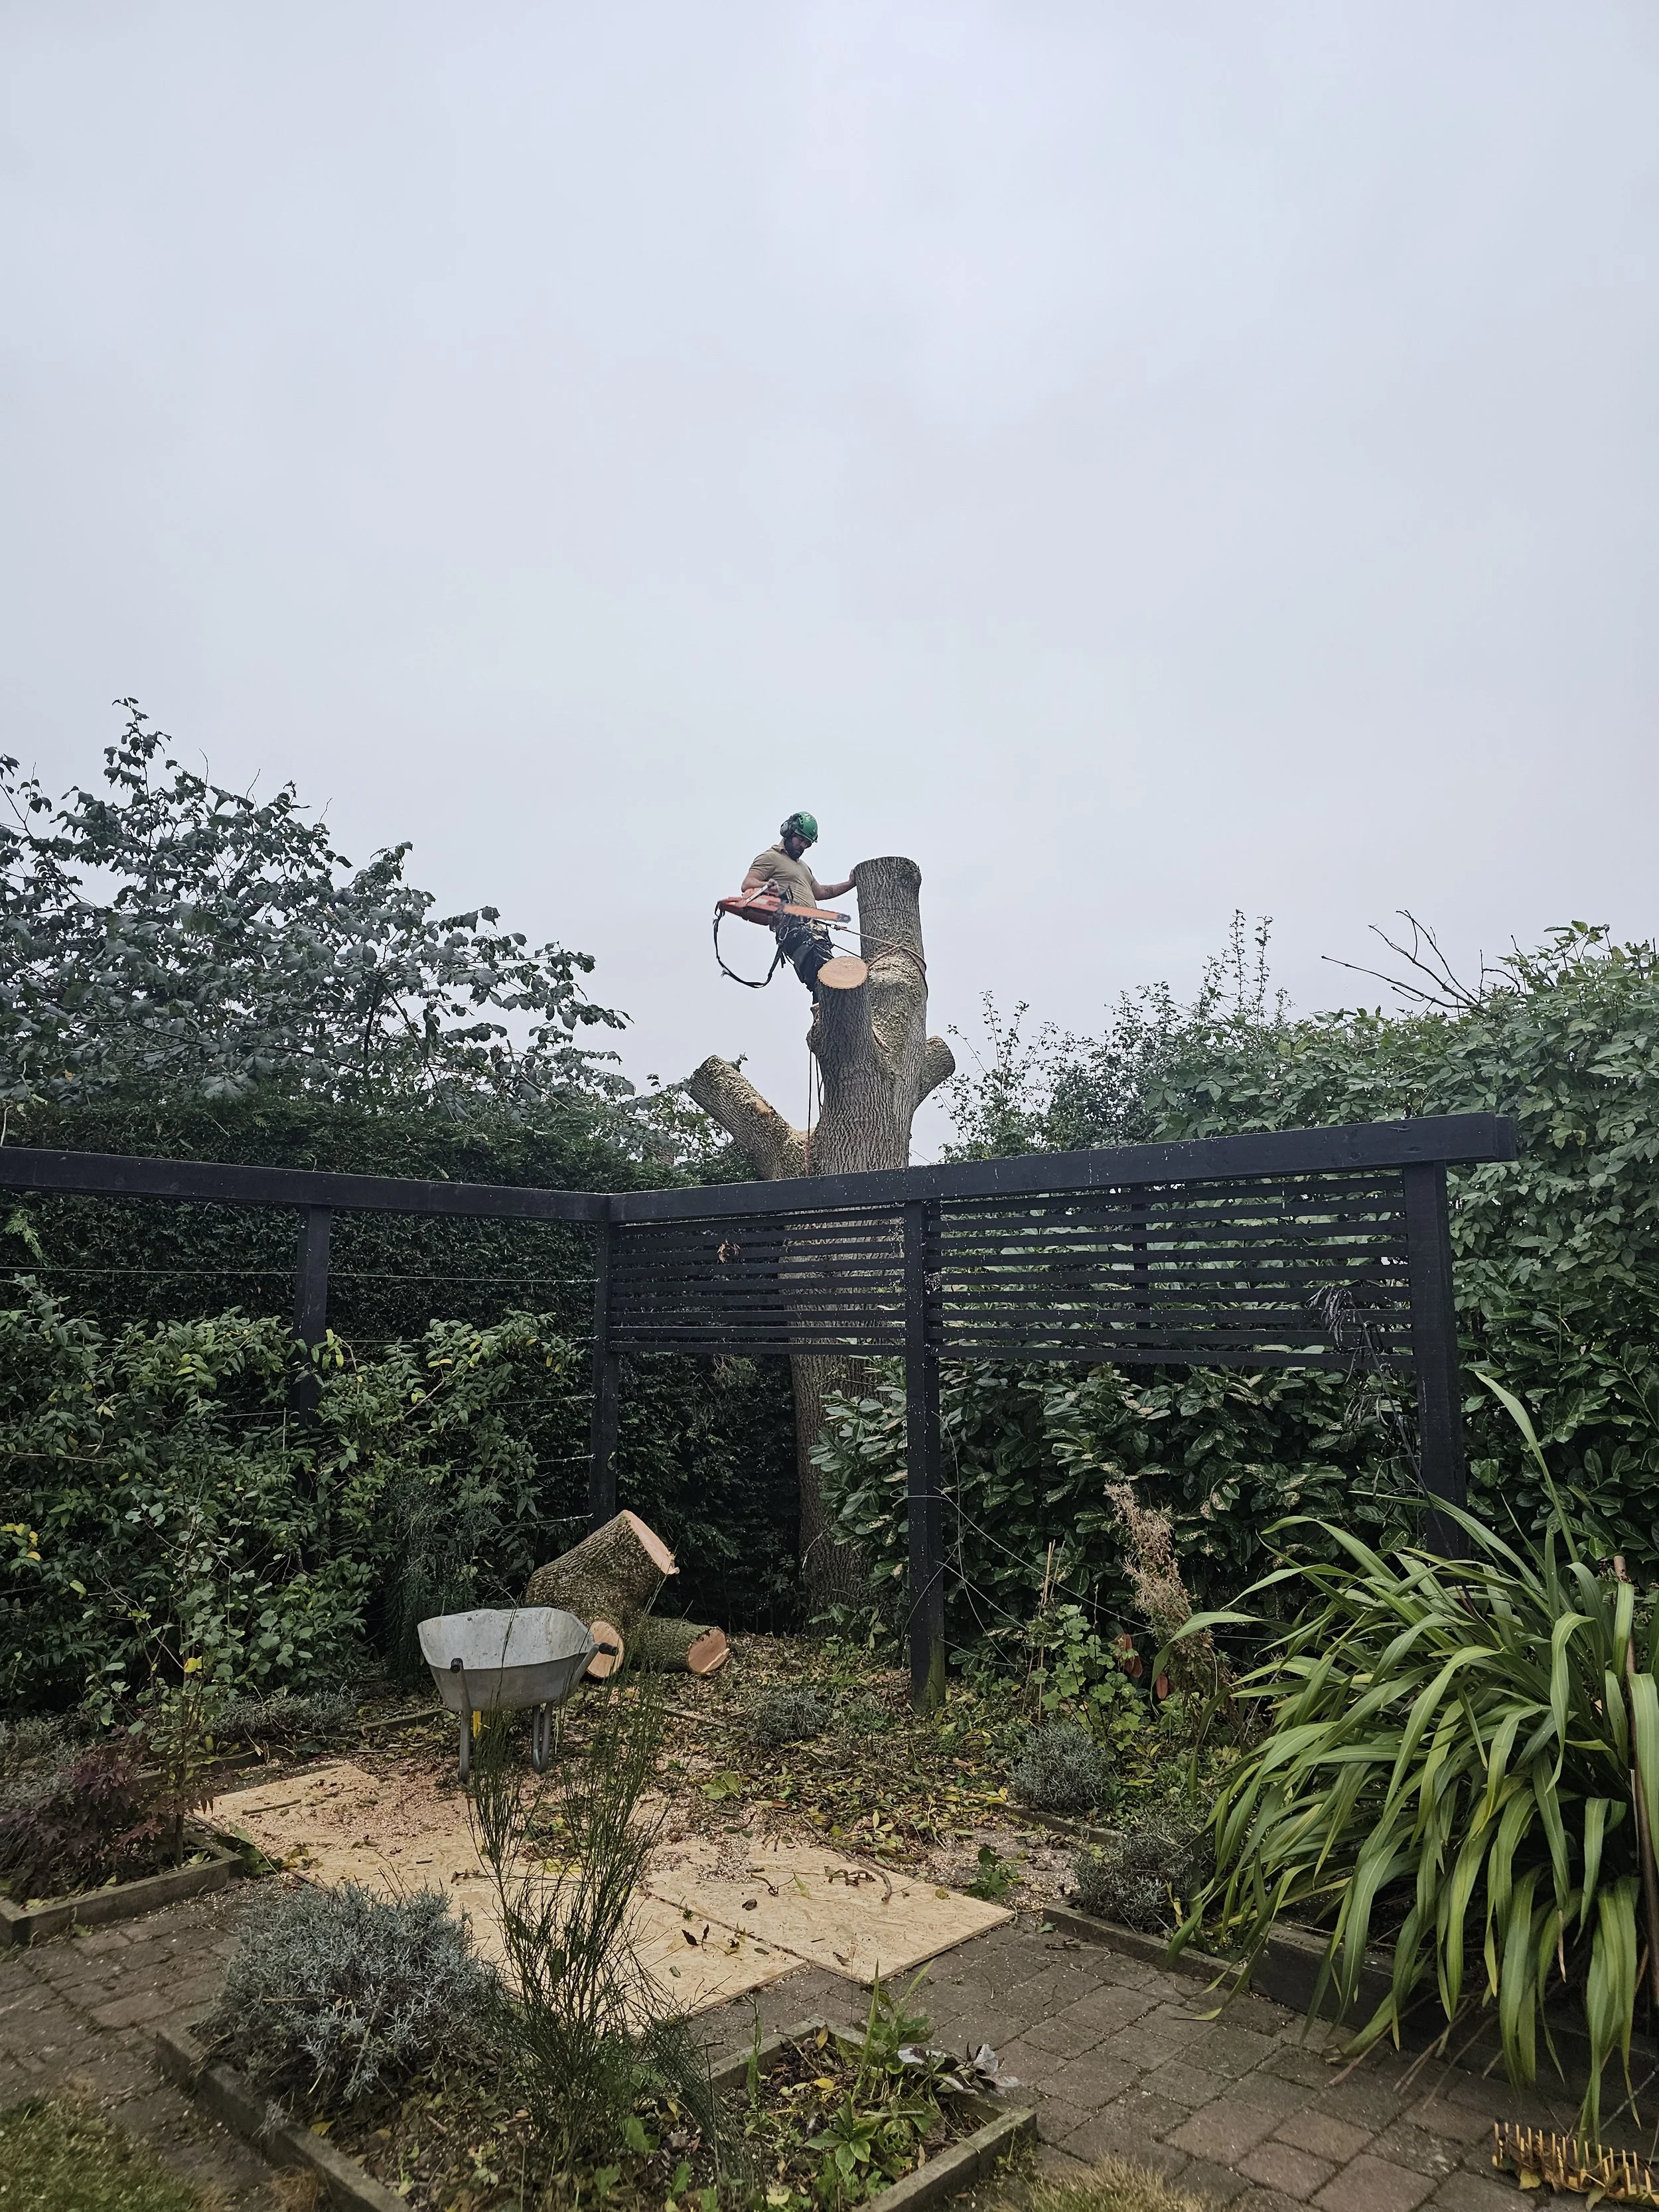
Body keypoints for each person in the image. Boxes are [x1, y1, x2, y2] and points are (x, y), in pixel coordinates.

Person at [742, 812, 855, 994]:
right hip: (794, 927)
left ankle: (824, 1014)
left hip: (815, 929)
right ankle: (825, 1012)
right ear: (788, 831)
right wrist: (767, 885)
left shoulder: (804, 867)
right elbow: (747, 884)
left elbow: (821, 892)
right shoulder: (770, 857)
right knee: (822, 973)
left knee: (828, 978)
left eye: (807, 843)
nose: (803, 846)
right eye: (800, 840)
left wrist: (850, 884)